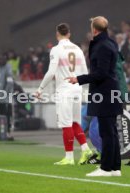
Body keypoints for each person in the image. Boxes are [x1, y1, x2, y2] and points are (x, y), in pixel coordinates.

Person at [67, 16, 123, 177]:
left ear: (94, 29)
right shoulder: (111, 43)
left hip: (104, 93)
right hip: (110, 90)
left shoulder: (102, 46)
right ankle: (115, 168)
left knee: (107, 132)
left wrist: (79, 79)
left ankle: (105, 168)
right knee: (111, 132)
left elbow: (101, 73)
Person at [36, 23, 92, 166]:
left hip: (65, 90)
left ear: (57, 34)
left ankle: (69, 157)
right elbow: (85, 72)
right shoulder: (78, 49)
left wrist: (40, 88)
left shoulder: (56, 49)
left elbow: (51, 72)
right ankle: (86, 150)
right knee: (74, 123)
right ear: (69, 34)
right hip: (77, 89)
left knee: (66, 124)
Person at [0, 54, 14, 140]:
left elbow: (10, 82)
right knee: (0, 113)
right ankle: (2, 131)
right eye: (0, 59)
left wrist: (5, 92)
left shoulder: (8, 68)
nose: (1, 61)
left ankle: (8, 132)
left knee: (7, 114)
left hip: (7, 95)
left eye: (3, 59)